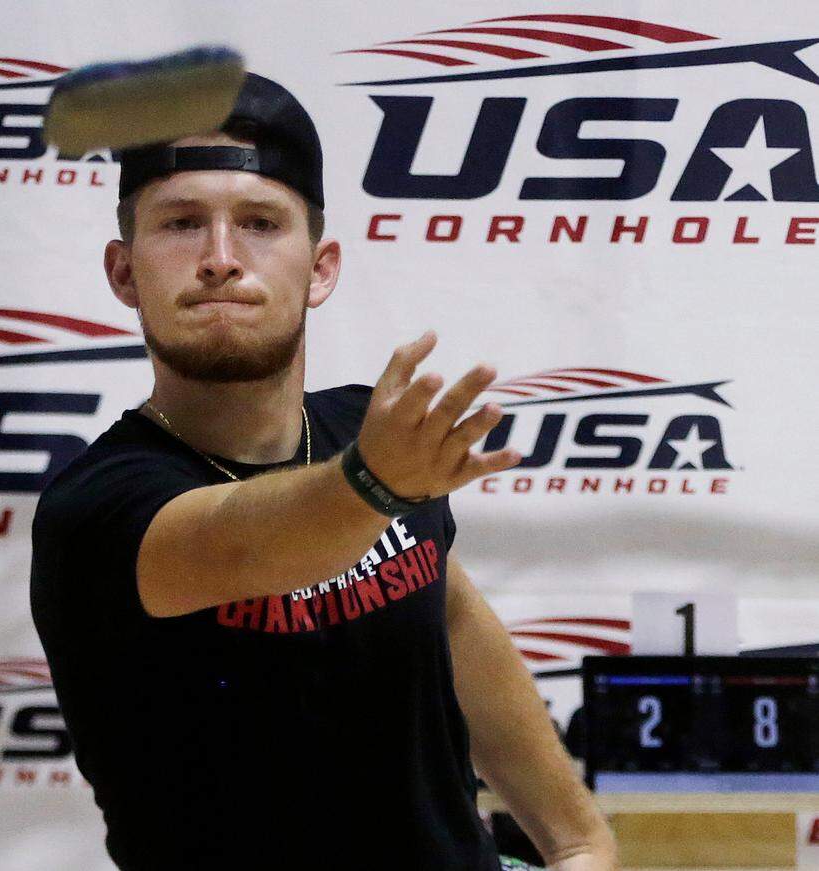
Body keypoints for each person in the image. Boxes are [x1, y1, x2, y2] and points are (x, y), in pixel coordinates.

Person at [30, 73, 617, 871]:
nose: (220, 258)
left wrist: (578, 838)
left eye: (261, 222)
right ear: (125, 271)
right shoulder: (100, 505)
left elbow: (444, 607)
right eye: (181, 223)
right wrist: (375, 484)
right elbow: (250, 546)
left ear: (322, 266)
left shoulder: (364, 433)